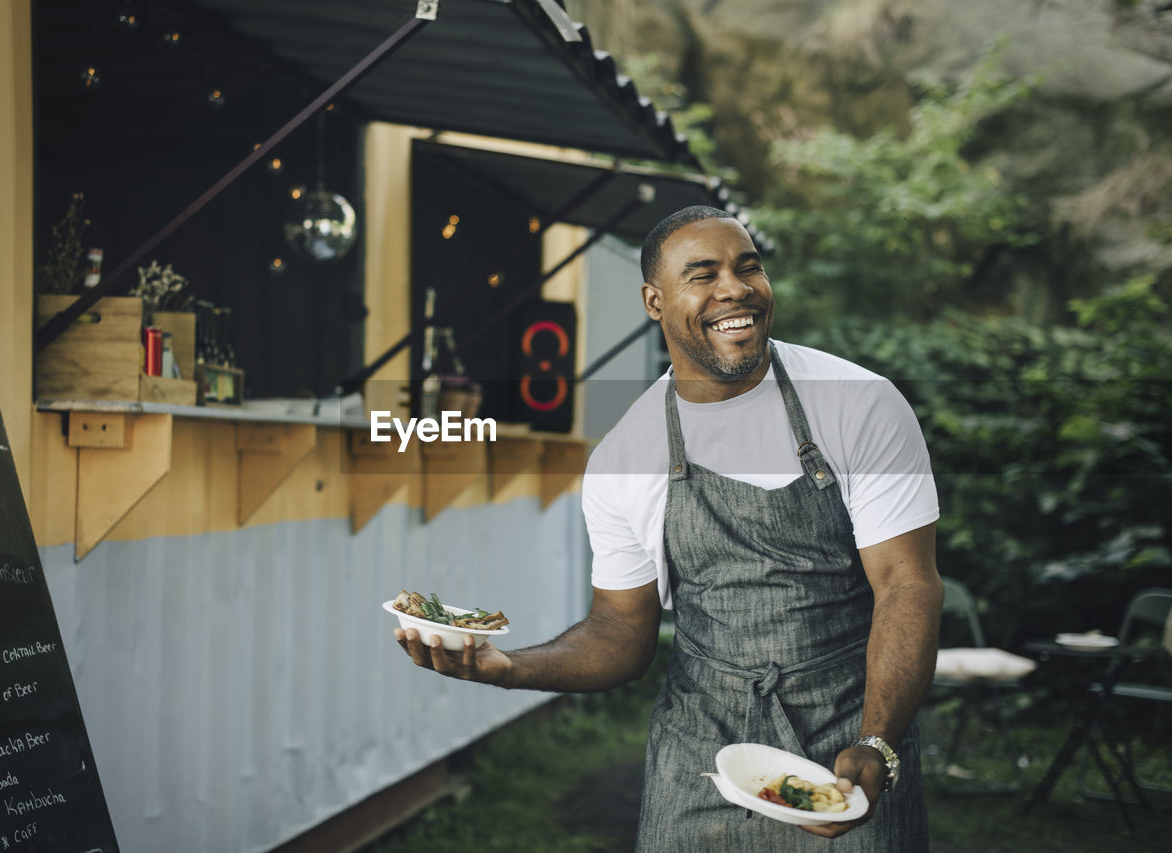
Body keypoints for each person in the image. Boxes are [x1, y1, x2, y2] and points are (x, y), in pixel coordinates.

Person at [394, 205, 943, 851]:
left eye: (749, 267)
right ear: (655, 300)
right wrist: (509, 666)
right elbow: (621, 632)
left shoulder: (860, 403)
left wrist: (876, 741)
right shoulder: (627, 454)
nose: (735, 288)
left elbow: (907, 583)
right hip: (702, 749)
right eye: (703, 273)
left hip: (850, 734)